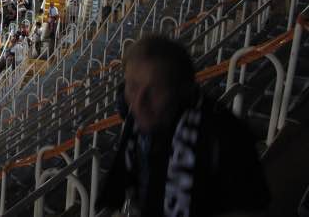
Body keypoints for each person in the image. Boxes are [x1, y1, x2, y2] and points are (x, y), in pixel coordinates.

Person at [97, 35, 270, 217]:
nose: (140, 102)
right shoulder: (141, 122)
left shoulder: (226, 137)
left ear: (181, 89)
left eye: (154, 89)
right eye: (132, 86)